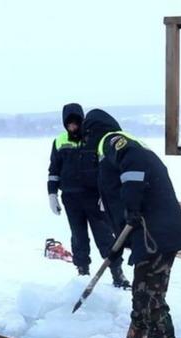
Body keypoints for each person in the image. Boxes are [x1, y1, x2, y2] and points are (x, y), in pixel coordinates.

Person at [82, 109, 181, 338]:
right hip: (151, 233)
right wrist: (120, 246)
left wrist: (131, 204)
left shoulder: (114, 141)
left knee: (152, 300)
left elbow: (135, 170)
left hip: (156, 234)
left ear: (93, 132)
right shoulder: (114, 149)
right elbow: (128, 213)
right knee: (141, 293)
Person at [47, 103, 129, 288]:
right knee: (78, 238)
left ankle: (117, 273)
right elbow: (54, 170)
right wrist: (52, 193)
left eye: (76, 123)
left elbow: (106, 169)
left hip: (94, 198)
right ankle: (82, 273)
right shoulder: (59, 142)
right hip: (71, 199)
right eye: (69, 124)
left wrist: (105, 195)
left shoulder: (92, 139)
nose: (73, 127)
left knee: (105, 237)